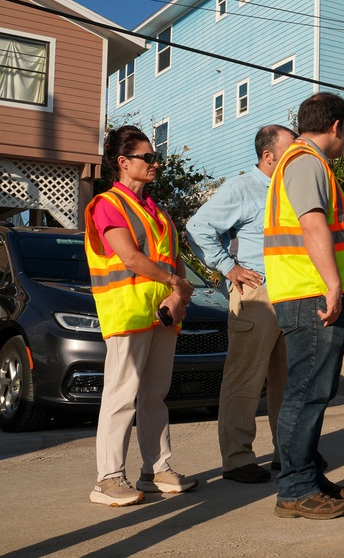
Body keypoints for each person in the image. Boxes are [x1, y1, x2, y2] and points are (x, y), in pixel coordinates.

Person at [83, 125, 199, 506]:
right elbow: (130, 257)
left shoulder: (158, 210)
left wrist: (178, 291)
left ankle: (156, 469)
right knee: (121, 395)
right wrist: (175, 284)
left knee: (154, 395)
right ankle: (108, 478)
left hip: (162, 316)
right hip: (129, 313)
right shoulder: (107, 205)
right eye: (147, 157)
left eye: (154, 157)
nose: (155, 163)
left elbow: (174, 260)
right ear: (122, 162)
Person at [263, 92, 344, 520]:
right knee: (306, 393)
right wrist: (333, 284)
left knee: (314, 392)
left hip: (309, 292)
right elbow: (312, 223)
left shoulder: (305, 161)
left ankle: (308, 475)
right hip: (311, 294)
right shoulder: (306, 161)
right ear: (337, 126)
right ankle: (295, 488)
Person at [187, 125, 296, 484]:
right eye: (291, 148)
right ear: (268, 156)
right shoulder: (242, 188)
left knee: (289, 381)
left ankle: (289, 454)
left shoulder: (293, 187)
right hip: (257, 293)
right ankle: (237, 459)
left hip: (292, 291)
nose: (298, 155)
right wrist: (228, 267)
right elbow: (197, 227)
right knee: (245, 379)